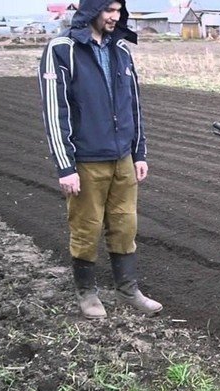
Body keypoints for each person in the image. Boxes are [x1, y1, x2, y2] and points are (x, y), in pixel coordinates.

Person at [38, 0, 162, 319]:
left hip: (122, 156)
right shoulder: (62, 49)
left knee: (125, 223)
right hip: (86, 159)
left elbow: (133, 103)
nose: (114, 16)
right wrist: (66, 166)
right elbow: (55, 111)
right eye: (108, 10)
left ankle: (128, 288)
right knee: (87, 226)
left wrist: (139, 152)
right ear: (91, 10)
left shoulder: (120, 49)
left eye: (118, 10)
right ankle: (87, 293)